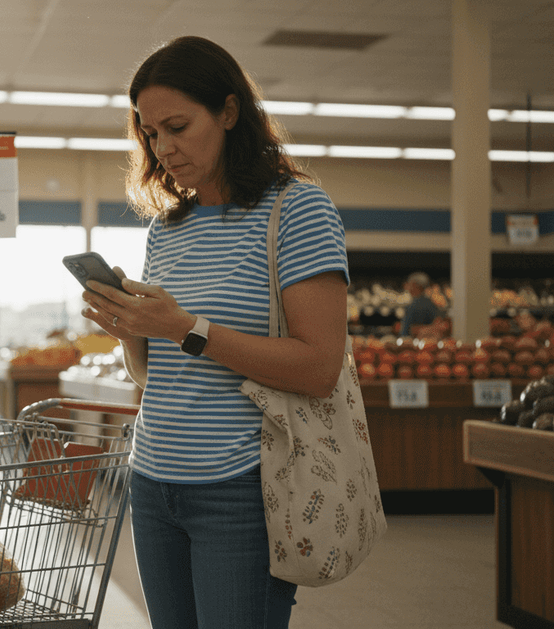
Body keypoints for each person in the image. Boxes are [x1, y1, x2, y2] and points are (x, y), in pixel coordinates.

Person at [80, 36, 349, 628]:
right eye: (151, 133)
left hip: (241, 491)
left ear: (229, 113)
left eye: (178, 126)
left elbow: (319, 367)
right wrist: (130, 327)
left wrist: (187, 327)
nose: (164, 147)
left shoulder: (298, 210)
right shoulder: (168, 229)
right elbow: (153, 374)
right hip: (151, 483)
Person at [399, 272, 441, 337]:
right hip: (428, 343)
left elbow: (406, 331)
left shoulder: (413, 305)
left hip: (412, 343)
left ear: (415, 285)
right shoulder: (431, 304)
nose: (408, 287)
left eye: (410, 284)